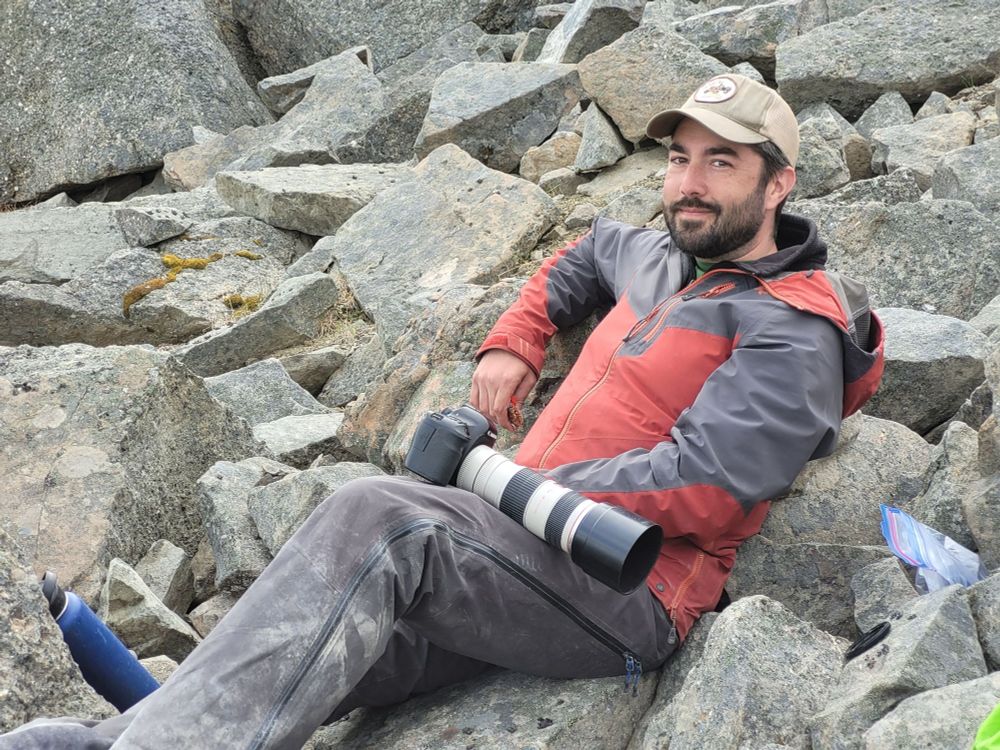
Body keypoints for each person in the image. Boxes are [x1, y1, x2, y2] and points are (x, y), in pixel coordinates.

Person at [1, 74, 883, 749]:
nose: (688, 183)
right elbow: (582, 257)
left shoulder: (791, 325)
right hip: (527, 541)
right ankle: (126, 737)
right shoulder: (662, 255)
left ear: (778, 185)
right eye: (680, 158)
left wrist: (516, 490)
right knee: (328, 618)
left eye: (721, 163)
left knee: (380, 519)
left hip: (627, 590)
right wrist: (516, 340)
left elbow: (710, 485)